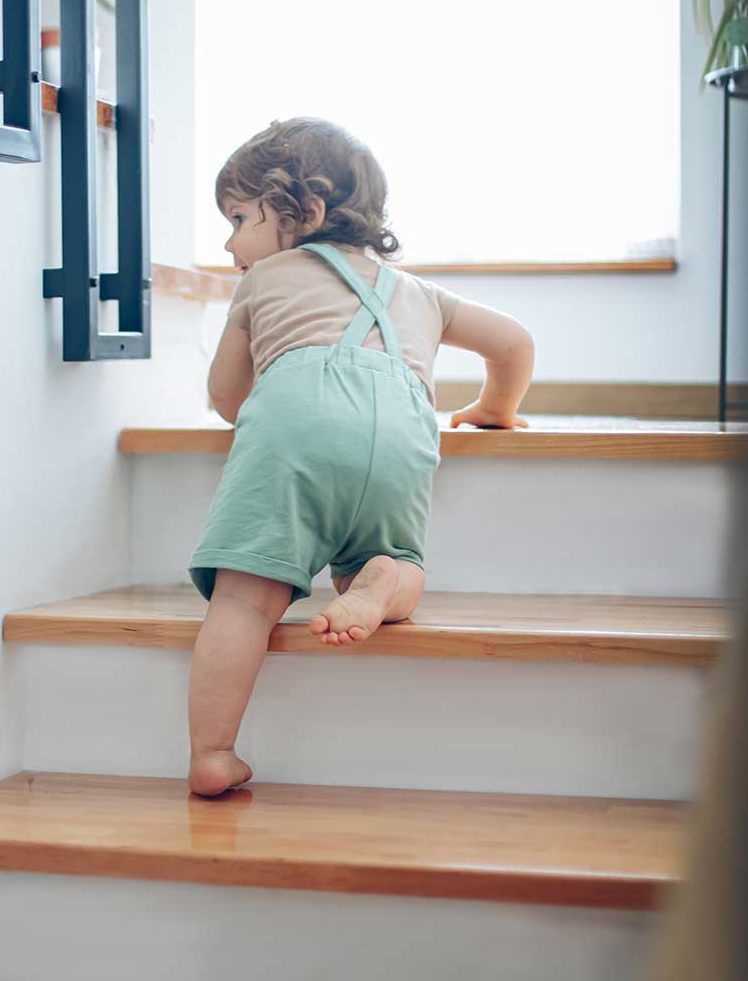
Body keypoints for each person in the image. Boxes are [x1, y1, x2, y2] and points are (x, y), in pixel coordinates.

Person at [186, 117, 534, 796]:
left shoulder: (262, 282)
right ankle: (380, 582)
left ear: (302, 212)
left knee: (244, 603)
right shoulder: (422, 293)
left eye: (237, 219)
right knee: (402, 561)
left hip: (295, 432)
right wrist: (495, 407)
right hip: (403, 432)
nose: (229, 244)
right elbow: (514, 342)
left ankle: (212, 753)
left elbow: (226, 398)